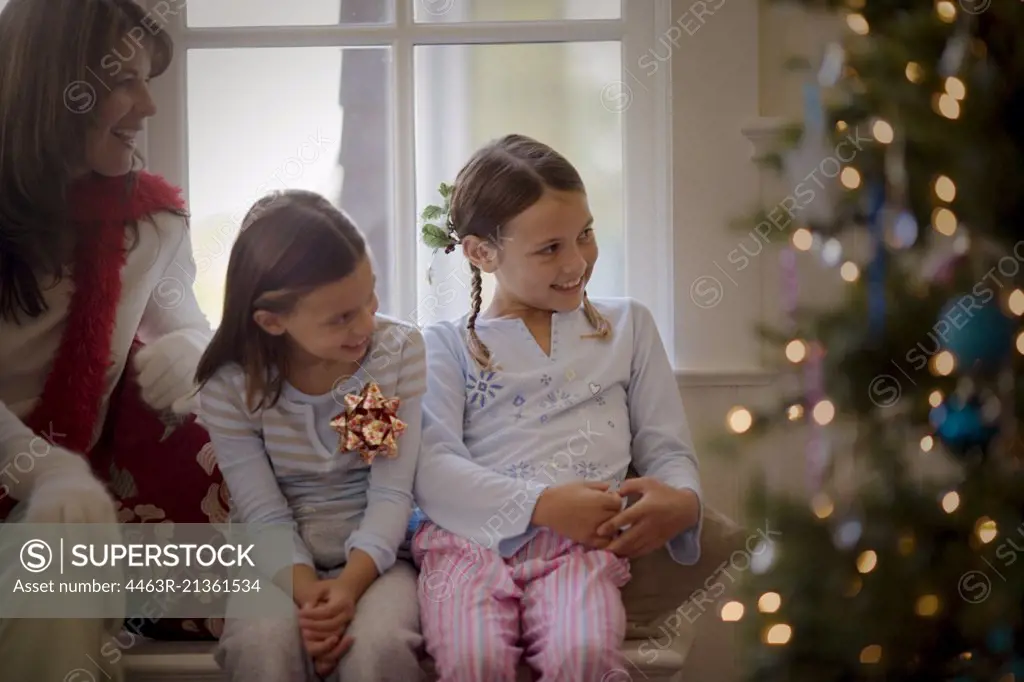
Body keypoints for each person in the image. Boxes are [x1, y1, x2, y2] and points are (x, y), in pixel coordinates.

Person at [412, 133, 704, 681]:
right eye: (550, 248)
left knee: (584, 658)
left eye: (586, 234)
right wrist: (541, 504)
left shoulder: (629, 327)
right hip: (465, 548)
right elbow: (433, 471)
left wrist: (684, 502)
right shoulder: (445, 346)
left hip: (580, 552)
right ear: (481, 252)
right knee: (475, 661)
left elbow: (667, 448)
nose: (578, 261)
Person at [0, 1, 225, 680]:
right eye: (123, 80)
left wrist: (190, 347)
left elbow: (183, 317)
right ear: (54, 89)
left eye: (148, 79)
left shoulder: (150, 226)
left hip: (62, 520)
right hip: (52, 496)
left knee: (264, 573)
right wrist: (45, 468)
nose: (148, 105)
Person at [196, 190, 425, 682]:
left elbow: (392, 491)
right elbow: (262, 511)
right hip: (274, 561)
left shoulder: (396, 351)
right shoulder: (230, 387)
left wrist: (347, 589)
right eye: (342, 316)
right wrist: (309, 597)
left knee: (379, 648)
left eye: (370, 297)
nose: (366, 323)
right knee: (262, 646)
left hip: (379, 559)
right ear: (272, 321)